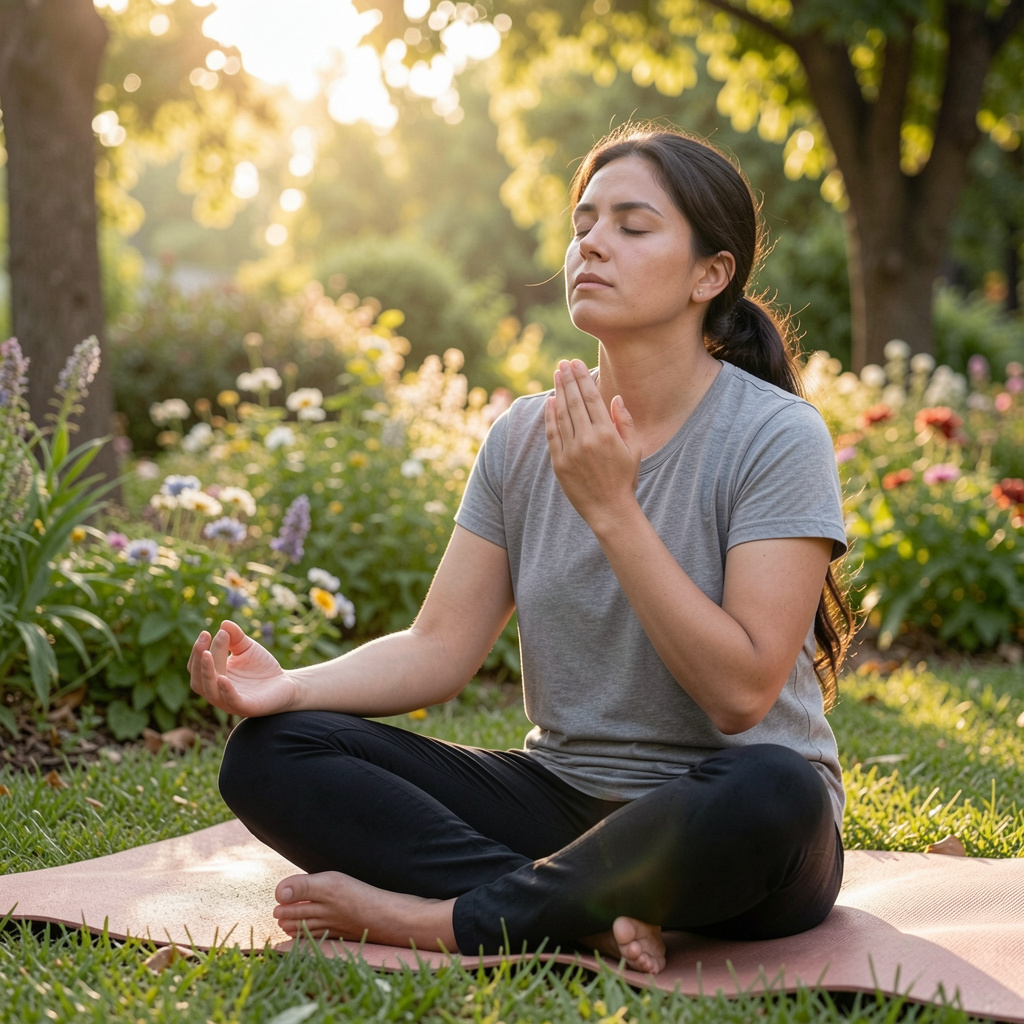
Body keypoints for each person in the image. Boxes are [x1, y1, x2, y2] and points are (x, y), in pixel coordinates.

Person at [188, 121, 854, 975]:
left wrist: (615, 510)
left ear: (710, 274)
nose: (592, 246)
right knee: (273, 751)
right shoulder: (519, 436)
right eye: (583, 225)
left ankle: (442, 920)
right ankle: (566, 912)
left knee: (778, 789)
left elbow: (742, 695)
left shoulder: (776, 437)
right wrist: (288, 688)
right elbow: (438, 649)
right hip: (559, 802)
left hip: (728, 820)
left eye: (631, 226)